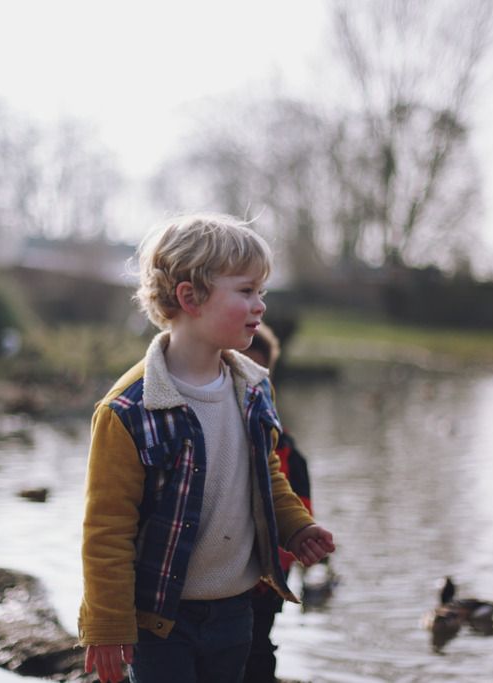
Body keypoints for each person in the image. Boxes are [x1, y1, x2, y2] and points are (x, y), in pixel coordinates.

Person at [79, 213, 336, 683]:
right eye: (246, 291)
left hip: (237, 608)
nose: (260, 306)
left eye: (262, 292)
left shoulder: (254, 388)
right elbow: (107, 530)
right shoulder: (128, 411)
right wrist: (107, 624)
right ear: (189, 296)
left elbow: (266, 474)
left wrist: (295, 526)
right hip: (159, 621)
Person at [241, 323, 314, 683]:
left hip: (264, 581)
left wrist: (270, 568)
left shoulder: (288, 453)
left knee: (257, 650)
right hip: (217, 575)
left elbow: (299, 514)